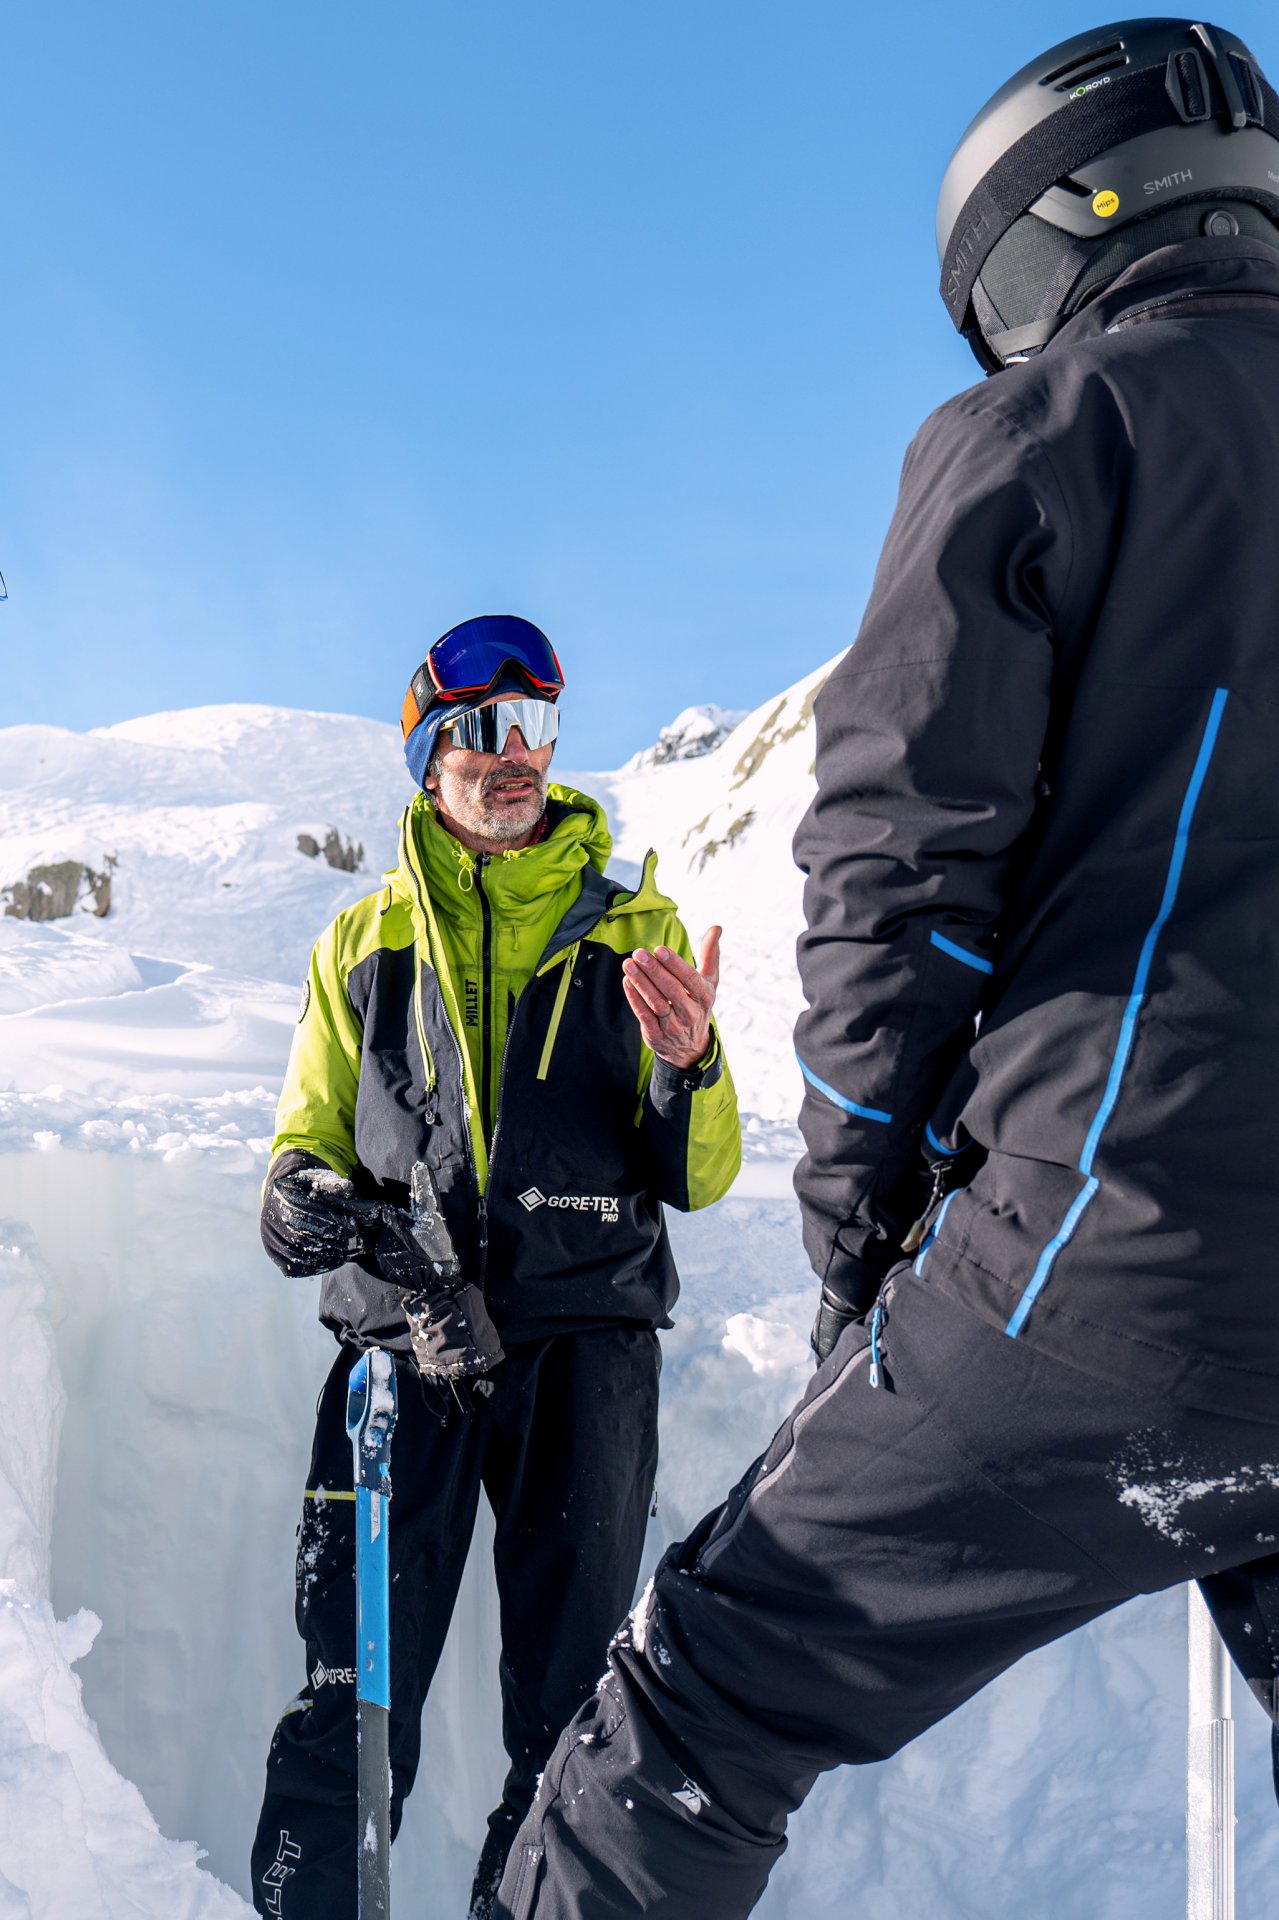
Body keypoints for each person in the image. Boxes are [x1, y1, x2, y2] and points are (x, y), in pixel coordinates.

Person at [491, 20, 1279, 1917]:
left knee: (701, 1703)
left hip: (1112, 1262)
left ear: (1054, 231)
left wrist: (860, 1246)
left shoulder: (1053, 430)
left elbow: (900, 883)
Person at [248, 613, 741, 1919]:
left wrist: (690, 1065)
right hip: (397, 1358)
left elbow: (699, 1173)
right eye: (483, 727)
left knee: (577, 1720)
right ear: (429, 754)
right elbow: (306, 1145)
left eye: (536, 725)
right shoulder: (362, 943)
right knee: (352, 1705)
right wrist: (311, 1206)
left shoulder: (634, 928)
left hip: (585, 1358)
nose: (515, 753)